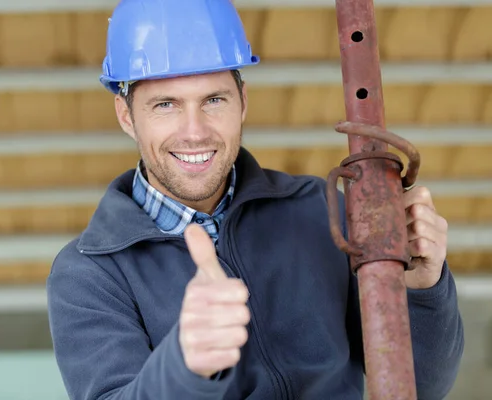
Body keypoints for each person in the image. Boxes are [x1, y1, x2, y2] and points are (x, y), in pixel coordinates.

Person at [46, 1, 464, 399]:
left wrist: (421, 288)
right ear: (125, 115)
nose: (194, 132)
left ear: (243, 102)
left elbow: (423, 386)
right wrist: (183, 367)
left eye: (214, 100)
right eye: (166, 104)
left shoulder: (319, 210)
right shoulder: (89, 273)